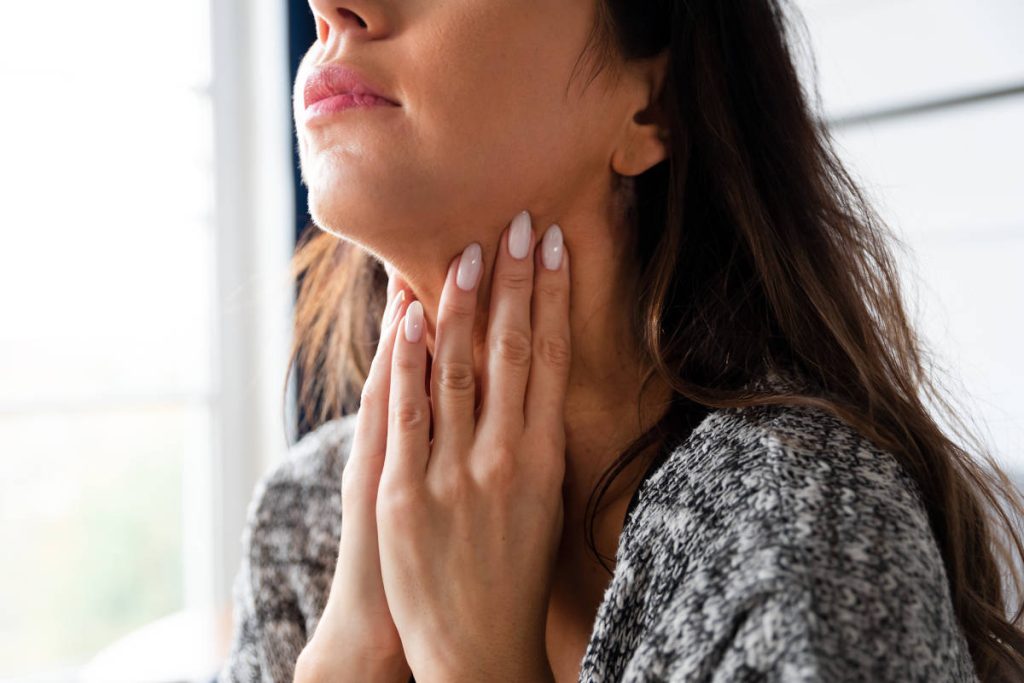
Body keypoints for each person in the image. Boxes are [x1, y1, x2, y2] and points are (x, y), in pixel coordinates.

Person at [218, 1, 1024, 681]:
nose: (330, 5)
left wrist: (477, 666)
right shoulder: (307, 519)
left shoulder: (805, 530)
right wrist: (347, 662)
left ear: (654, 108)